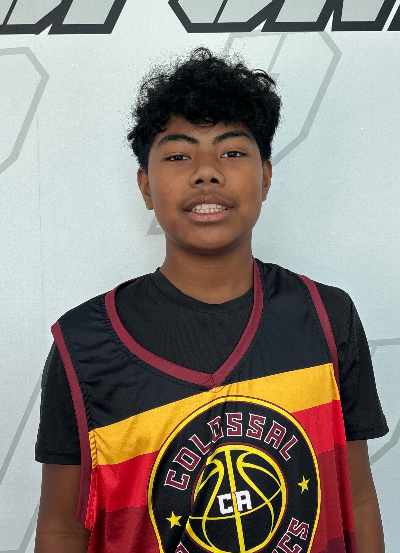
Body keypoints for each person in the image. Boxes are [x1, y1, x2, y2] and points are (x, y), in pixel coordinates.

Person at [34, 47, 388, 553]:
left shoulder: (328, 318)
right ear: (146, 186)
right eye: (178, 156)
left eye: (232, 152)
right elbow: (62, 530)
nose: (206, 172)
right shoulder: (83, 346)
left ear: (265, 176)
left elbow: (358, 499)